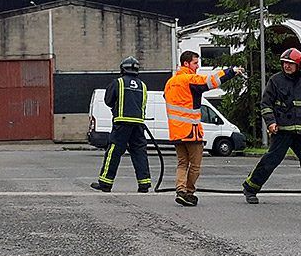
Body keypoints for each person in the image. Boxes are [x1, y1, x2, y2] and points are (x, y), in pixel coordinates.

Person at [242, 48, 301, 206]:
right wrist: (271, 122)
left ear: (299, 65)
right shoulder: (275, 80)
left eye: (291, 64)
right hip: (283, 130)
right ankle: (250, 188)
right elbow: (266, 104)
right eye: (285, 63)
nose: (287, 66)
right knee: (271, 160)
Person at [164, 51, 242, 207]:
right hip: (191, 131)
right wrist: (231, 72)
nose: (197, 66)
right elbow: (211, 81)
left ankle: (180, 189)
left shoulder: (170, 82)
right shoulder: (189, 79)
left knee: (182, 163)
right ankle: (188, 192)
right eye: (195, 63)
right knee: (195, 165)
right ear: (186, 64)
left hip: (176, 132)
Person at [91, 57, 152, 193]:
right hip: (138, 125)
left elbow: (108, 100)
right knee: (139, 153)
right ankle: (144, 184)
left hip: (122, 124)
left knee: (114, 152)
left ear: (122, 69)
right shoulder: (143, 85)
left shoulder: (118, 82)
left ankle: (105, 183)